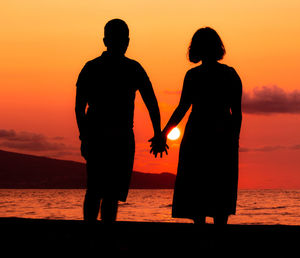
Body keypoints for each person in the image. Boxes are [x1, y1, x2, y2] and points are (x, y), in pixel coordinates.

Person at [75, 19, 167, 223]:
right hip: (110, 137)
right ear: (125, 41)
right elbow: (152, 103)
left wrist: (84, 136)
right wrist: (158, 133)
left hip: (108, 137)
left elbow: (79, 108)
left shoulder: (94, 68)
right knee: (106, 193)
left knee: (99, 190)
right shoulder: (129, 68)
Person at [151, 27, 242, 225]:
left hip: (200, 134)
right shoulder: (228, 74)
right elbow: (237, 113)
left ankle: (201, 237)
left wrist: (163, 134)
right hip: (218, 135)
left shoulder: (194, 75)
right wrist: (234, 139)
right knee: (218, 193)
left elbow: (182, 108)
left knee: (198, 191)